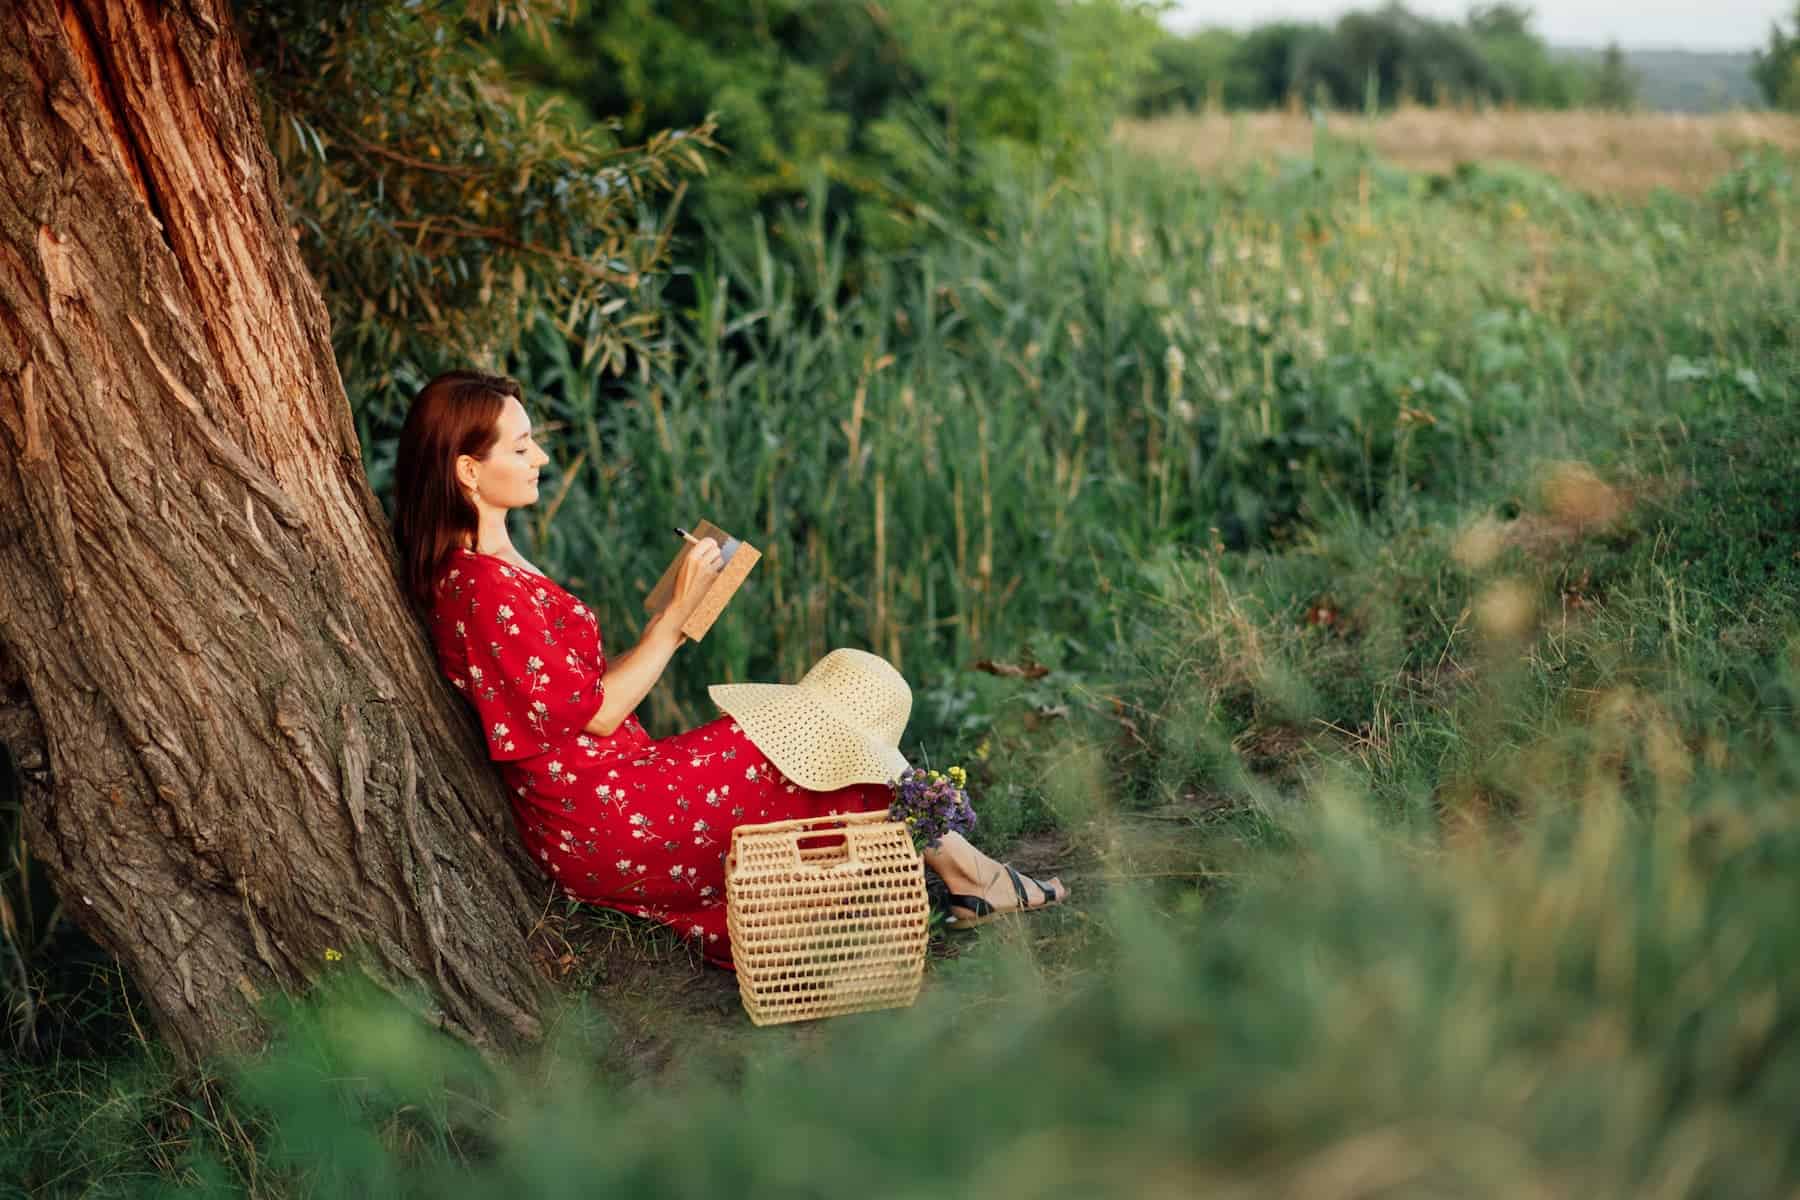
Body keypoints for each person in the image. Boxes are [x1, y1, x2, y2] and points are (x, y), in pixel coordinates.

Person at [390, 370, 1066, 965]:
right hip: (605, 817)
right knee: (796, 728)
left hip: (622, 784)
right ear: (468, 471)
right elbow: (596, 713)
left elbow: (582, 691)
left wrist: (684, 614)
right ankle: (971, 876)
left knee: (853, 686)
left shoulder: (498, 567)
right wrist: (668, 619)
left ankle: (957, 871)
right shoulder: (477, 589)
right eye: (519, 446)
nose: (539, 455)